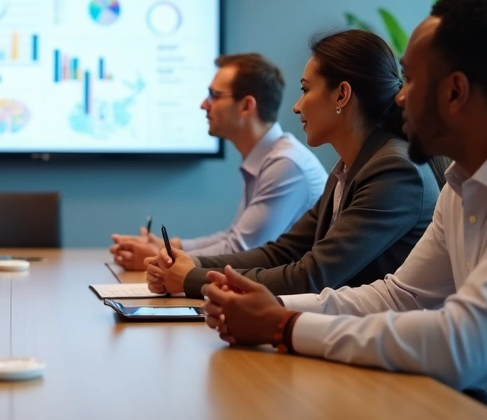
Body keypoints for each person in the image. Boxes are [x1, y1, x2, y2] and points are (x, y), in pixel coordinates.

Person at [201, 0, 487, 418]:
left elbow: (473, 344)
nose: (399, 98)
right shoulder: (465, 178)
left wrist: (284, 327)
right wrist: (276, 311)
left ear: (455, 92)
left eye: (412, 79)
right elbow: (403, 296)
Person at [147, 30, 442, 297]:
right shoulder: (347, 170)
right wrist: (192, 264)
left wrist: (192, 279)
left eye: (305, 89)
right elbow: (283, 252)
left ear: (342, 94)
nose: (296, 106)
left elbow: (312, 276)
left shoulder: (394, 171)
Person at [110, 53, 325, 269]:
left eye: (214, 95)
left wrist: (164, 256)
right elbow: (234, 237)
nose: (204, 104)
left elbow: (241, 250)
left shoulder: (286, 164)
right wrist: (173, 246)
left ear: (246, 106)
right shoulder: (270, 157)